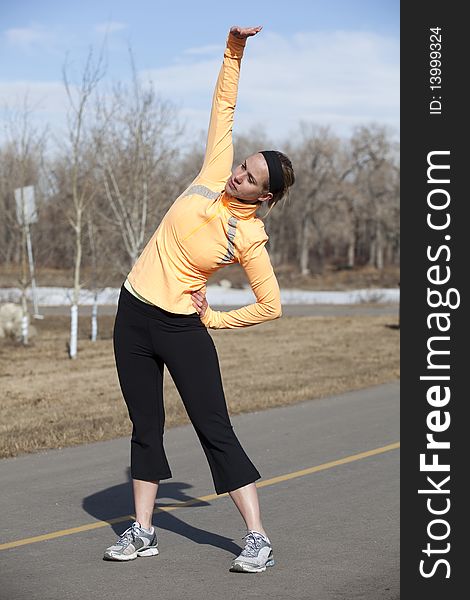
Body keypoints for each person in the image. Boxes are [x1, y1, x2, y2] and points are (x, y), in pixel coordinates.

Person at [104, 24, 295, 573]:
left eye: (252, 177)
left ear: (267, 196)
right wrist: (235, 49)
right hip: (132, 312)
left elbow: (271, 304)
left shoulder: (249, 236)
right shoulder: (214, 170)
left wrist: (217, 321)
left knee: (214, 427)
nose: (239, 175)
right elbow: (224, 105)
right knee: (145, 425)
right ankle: (142, 532)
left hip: (183, 328)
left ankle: (257, 538)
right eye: (244, 165)